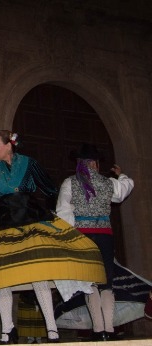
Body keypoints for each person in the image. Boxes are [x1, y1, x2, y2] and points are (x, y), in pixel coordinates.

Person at [0, 130, 105, 343]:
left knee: (37, 273)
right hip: (2, 223)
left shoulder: (29, 163)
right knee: (1, 276)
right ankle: (7, 331)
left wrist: (59, 217)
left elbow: (50, 189)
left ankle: (52, 330)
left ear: (8, 145)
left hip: (30, 218)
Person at [56, 143, 134, 341]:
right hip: (105, 236)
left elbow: (63, 212)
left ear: (79, 163)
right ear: (96, 164)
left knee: (90, 283)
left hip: (84, 237)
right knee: (106, 283)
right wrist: (121, 175)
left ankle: (98, 331)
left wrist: (70, 235)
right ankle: (109, 330)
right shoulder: (108, 183)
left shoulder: (70, 182)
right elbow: (124, 189)